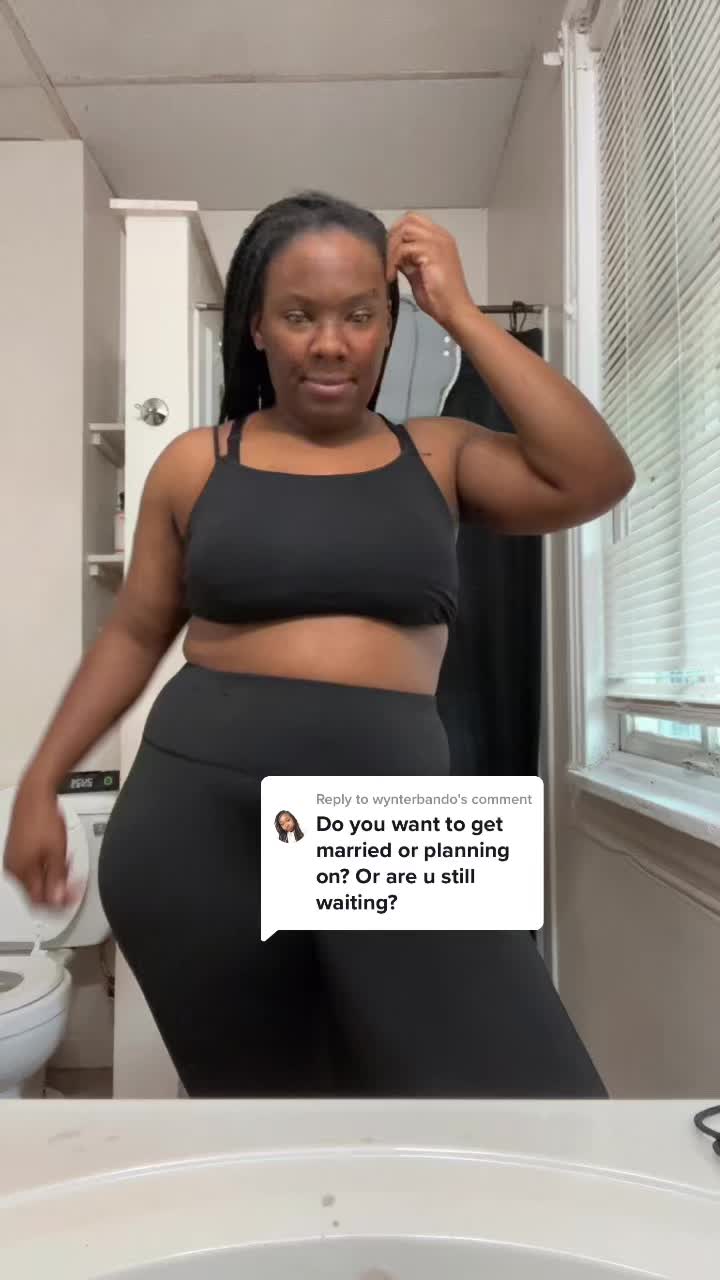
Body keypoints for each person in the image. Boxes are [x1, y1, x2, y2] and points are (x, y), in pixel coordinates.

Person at [3, 192, 634, 1099]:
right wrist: (40, 783)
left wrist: (460, 313)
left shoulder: (440, 456)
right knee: (273, 1117)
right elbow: (136, 631)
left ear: (391, 324)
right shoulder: (196, 463)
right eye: (299, 316)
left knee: (534, 1098)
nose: (331, 344)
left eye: (360, 315)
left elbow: (597, 475)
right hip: (194, 826)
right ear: (257, 326)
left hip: (388, 819)